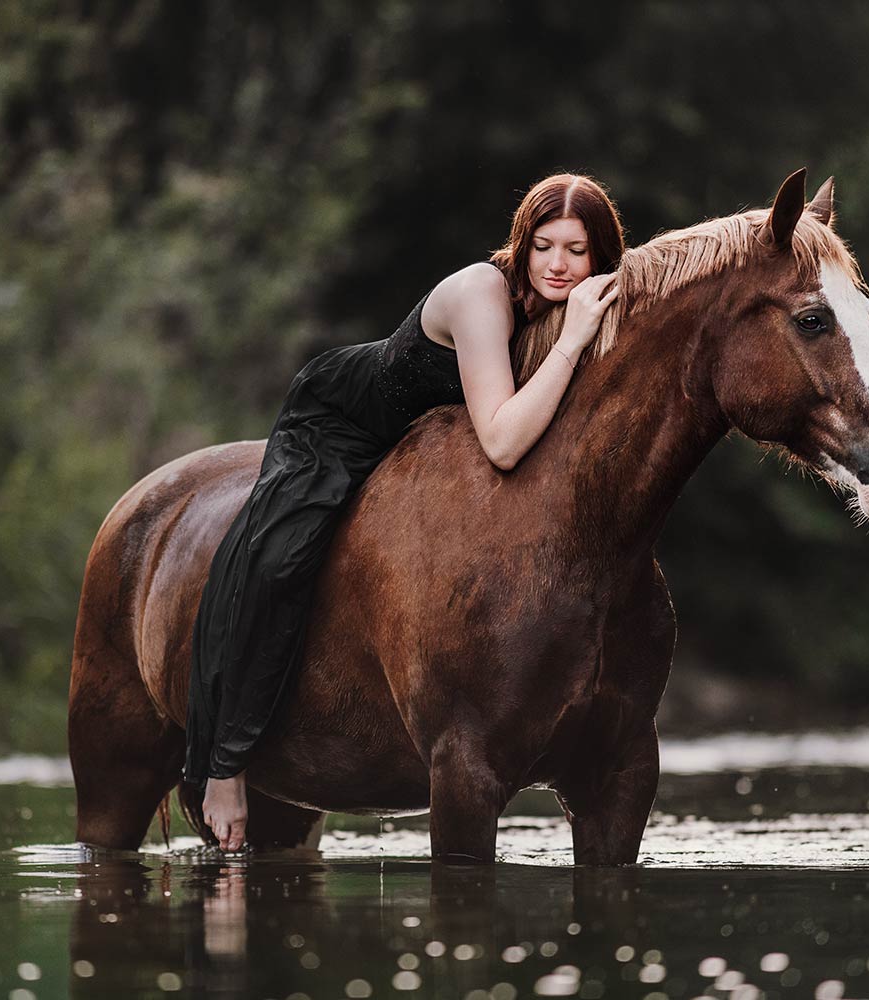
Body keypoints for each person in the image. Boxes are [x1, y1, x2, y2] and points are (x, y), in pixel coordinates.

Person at [186, 173, 626, 850]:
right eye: (544, 246)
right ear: (522, 244)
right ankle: (223, 765)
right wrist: (575, 339)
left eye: (576, 249)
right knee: (277, 564)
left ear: (601, 257)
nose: (559, 265)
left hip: (422, 446)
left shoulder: (578, 303)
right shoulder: (486, 295)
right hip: (339, 423)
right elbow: (505, 442)